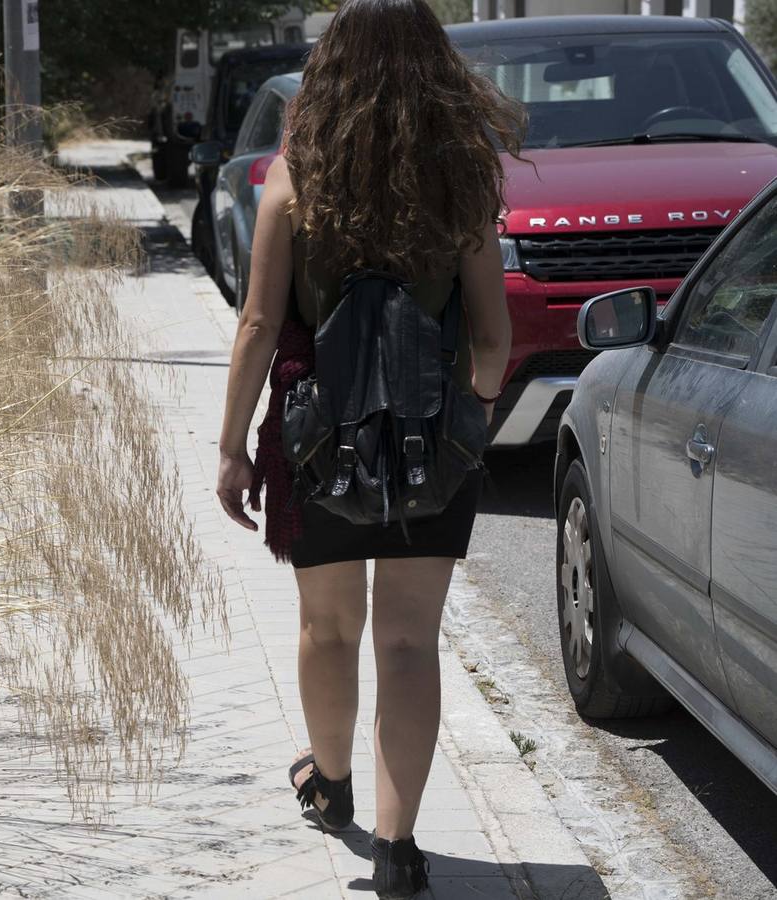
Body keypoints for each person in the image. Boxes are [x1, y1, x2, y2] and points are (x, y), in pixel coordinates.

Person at [214, 1, 522, 897]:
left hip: (316, 440)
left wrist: (232, 448)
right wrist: (466, 424)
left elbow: (260, 325)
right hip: (434, 443)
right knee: (407, 645)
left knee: (326, 626)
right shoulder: (461, 181)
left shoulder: (293, 177)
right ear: (436, 72)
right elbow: (494, 341)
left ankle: (333, 788)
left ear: (330, 70)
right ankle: (398, 848)